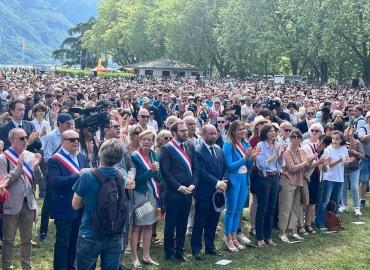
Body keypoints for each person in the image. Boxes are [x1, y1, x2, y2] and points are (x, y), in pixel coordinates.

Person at [72, 139, 135, 270]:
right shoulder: (121, 175)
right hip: (115, 233)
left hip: (90, 232)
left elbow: (75, 205)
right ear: (118, 158)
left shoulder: (87, 176)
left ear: (101, 153)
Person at [0, 128, 43, 270]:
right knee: (9, 240)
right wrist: (19, 168)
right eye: (22, 138)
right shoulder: (3, 158)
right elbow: (3, 182)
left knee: (26, 239)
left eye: (26, 138)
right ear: (12, 140)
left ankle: (27, 266)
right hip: (11, 203)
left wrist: (35, 168)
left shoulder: (30, 155)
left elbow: (39, 181)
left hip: (28, 203)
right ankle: (6, 266)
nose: (26, 140)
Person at [48, 130, 90, 270]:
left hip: (80, 205)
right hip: (64, 205)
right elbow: (55, 182)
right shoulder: (55, 160)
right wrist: (77, 175)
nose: (76, 142)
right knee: (62, 242)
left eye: (77, 139)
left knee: (75, 240)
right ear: (63, 142)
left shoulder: (82, 157)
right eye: (72, 140)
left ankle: (70, 266)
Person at [160, 120, 199, 262]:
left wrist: (193, 184)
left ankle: (179, 251)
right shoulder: (167, 149)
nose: (186, 132)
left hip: (188, 191)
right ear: (174, 133)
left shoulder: (190, 146)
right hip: (174, 193)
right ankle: (169, 253)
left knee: (183, 223)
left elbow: (196, 168)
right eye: (182, 131)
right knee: (171, 224)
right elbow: (165, 172)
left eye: (186, 130)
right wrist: (178, 187)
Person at [191, 124, 228, 260]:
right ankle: (196, 249)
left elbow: (225, 167)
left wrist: (224, 181)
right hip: (204, 192)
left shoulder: (219, 149)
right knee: (200, 221)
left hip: (218, 193)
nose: (213, 136)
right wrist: (217, 183)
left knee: (213, 220)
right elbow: (201, 172)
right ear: (203, 134)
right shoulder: (198, 151)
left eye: (215, 133)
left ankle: (210, 246)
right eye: (210, 133)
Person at [222, 120, 259, 251]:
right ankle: (228, 238)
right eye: (240, 129)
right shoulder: (227, 145)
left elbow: (248, 167)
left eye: (244, 129)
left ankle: (234, 237)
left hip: (244, 180)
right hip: (233, 181)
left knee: (239, 210)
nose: (243, 131)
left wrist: (252, 158)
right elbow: (229, 166)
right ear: (233, 131)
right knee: (231, 210)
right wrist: (245, 158)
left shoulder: (245, 143)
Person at [39, 112, 74, 241]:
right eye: (67, 124)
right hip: (54, 173)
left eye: (71, 123)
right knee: (48, 202)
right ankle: (43, 231)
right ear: (60, 123)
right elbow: (47, 156)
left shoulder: (72, 136)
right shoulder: (51, 136)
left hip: (69, 173)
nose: (70, 126)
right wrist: (61, 159)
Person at [130, 130, 161, 268]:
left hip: (152, 195)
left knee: (149, 225)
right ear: (140, 140)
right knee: (137, 226)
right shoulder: (135, 157)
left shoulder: (154, 155)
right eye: (144, 139)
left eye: (149, 140)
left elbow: (159, 176)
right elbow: (136, 180)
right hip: (140, 195)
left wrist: (157, 173)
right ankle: (134, 257)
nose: (147, 142)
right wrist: (151, 172)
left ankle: (146, 255)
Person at [279, 130, 316, 243]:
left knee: (296, 207)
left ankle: (293, 230)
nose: (296, 138)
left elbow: (306, 168)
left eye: (298, 137)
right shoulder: (286, 152)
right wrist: (307, 162)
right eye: (293, 136)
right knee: (286, 208)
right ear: (290, 139)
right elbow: (292, 168)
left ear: (301, 139)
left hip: (299, 182)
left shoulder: (302, 151)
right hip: (288, 181)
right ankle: (282, 232)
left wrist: (311, 162)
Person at [255, 124, 285, 247]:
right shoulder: (260, 145)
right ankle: (260, 237)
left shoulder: (277, 145)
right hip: (264, 177)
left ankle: (268, 236)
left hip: (275, 177)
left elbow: (280, 163)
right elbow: (262, 164)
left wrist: (281, 155)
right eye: (270, 131)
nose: (273, 133)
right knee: (263, 208)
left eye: (274, 131)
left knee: (272, 208)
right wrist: (275, 155)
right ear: (265, 133)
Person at [316, 131, 353, 230]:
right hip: (329, 178)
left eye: (337, 138)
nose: (335, 140)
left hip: (339, 178)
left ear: (341, 140)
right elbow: (328, 165)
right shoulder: (328, 149)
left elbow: (345, 161)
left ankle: (334, 222)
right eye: (333, 138)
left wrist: (347, 162)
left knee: (335, 202)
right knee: (325, 202)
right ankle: (320, 223)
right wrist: (339, 161)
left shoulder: (344, 148)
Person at [340, 127, 364, 216]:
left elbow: (362, 156)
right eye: (346, 131)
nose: (348, 133)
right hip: (344, 168)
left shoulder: (357, 142)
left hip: (354, 169)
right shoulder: (341, 143)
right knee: (344, 187)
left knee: (354, 187)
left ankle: (357, 207)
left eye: (350, 131)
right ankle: (344, 205)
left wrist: (353, 151)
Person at [358, 111, 370, 207]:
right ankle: (362, 199)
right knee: (364, 180)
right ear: (367, 119)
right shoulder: (363, 128)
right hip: (366, 157)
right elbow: (362, 138)